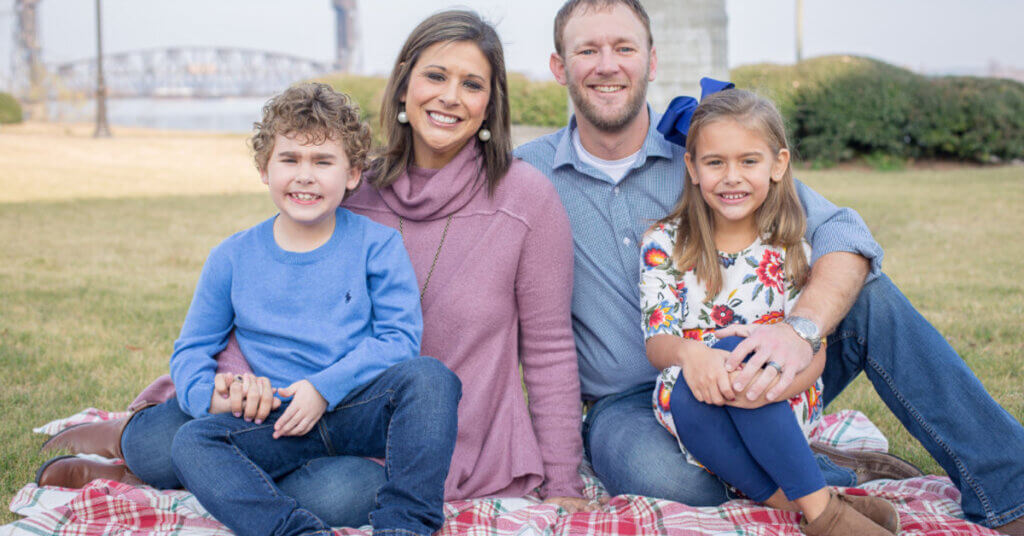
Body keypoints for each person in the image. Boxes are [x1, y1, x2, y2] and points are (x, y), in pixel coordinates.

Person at [36, 9, 591, 526]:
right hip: (285, 407)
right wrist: (240, 384)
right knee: (164, 439)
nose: (450, 97)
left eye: (472, 84)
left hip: (414, 429)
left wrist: (564, 478)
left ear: (491, 103)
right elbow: (272, 287)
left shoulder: (526, 200)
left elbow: (548, 346)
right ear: (404, 85)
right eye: (435, 76)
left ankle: (191, 481)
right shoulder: (350, 182)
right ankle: (130, 448)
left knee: (341, 495)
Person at [514, 0, 1024, 534]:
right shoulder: (526, 176)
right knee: (675, 484)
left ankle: (1010, 494)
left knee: (867, 292)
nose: (607, 65)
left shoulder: (711, 149)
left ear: (652, 59)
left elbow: (844, 234)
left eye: (624, 48)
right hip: (631, 400)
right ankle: (819, 483)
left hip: (762, 357)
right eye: (587, 50)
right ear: (559, 66)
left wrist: (797, 332)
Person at [49, 82, 461, 536]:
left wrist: (322, 388)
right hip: (262, 422)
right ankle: (129, 449)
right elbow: (192, 349)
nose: (305, 175)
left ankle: (404, 528)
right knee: (174, 443)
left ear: (352, 174)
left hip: (346, 415)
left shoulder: (377, 245)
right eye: (290, 159)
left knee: (395, 432)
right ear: (265, 169)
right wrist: (207, 395)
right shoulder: (232, 255)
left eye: (323, 161)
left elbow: (399, 340)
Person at [642, 86, 899, 535]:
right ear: (692, 167)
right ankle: (823, 510)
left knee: (749, 371)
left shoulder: (790, 247)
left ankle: (818, 509)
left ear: (778, 164)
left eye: (748, 161)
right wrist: (693, 356)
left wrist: (776, 386)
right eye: (715, 162)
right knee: (706, 377)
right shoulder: (665, 243)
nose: (731, 177)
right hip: (694, 392)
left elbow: (810, 346)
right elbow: (658, 340)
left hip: (779, 397)